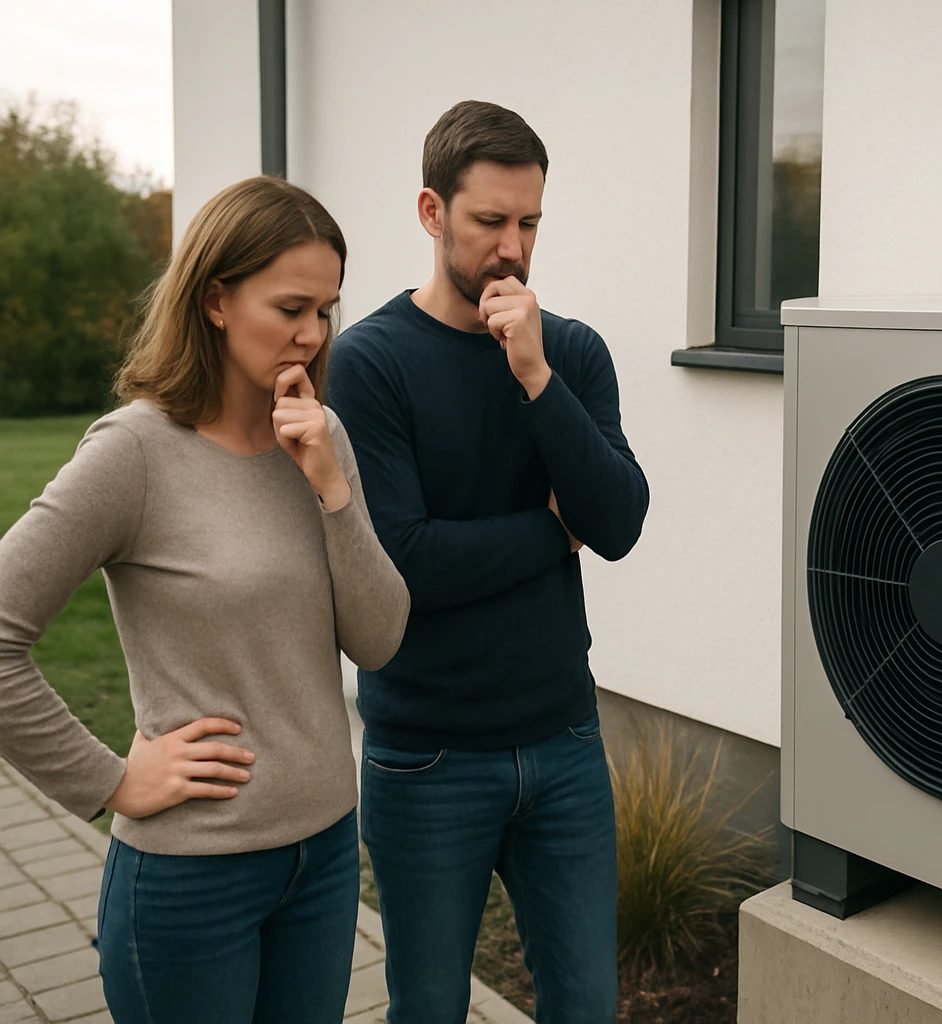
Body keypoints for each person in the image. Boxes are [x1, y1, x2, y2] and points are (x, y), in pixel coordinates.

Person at [0, 176, 410, 1024]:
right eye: (291, 306)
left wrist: (333, 490)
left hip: (327, 856)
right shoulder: (135, 453)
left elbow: (379, 640)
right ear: (216, 299)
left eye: (327, 308)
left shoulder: (318, 435)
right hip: (194, 878)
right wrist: (110, 780)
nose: (313, 334)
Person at [325, 99, 649, 1023]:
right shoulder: (372, 362)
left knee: (585, 1005)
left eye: (530, 222)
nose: (512, 248)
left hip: (565, 742)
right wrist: (552, 530)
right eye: (489, 223)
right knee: (428, 1008)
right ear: (433, 214)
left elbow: (620, 521)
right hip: (426, 757)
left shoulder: (571, 355)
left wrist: (537, 379)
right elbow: (407, 565)